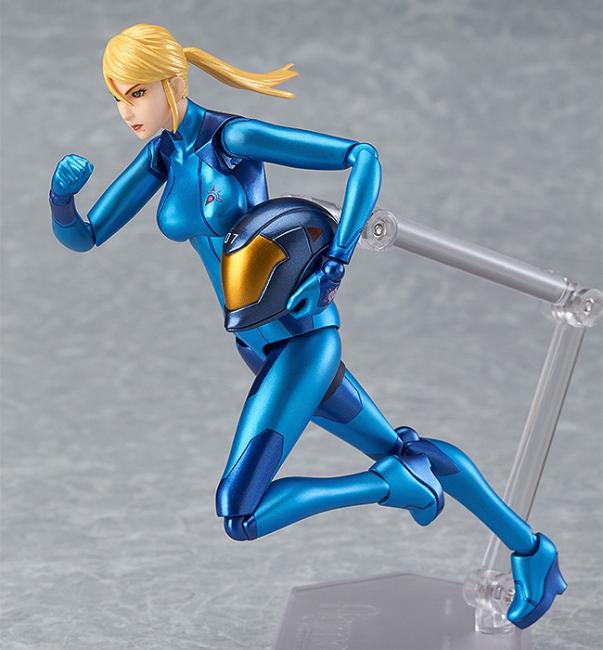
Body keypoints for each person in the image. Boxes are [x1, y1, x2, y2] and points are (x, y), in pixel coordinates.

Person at [49, 24, 565, 629]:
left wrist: (336, 260)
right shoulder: (164, 156)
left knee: (240, 511)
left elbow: (361, 157)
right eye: (117, 96)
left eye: (137, 93)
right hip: (257, 347)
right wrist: (61, 201)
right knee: (401, 449)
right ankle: (532, 550)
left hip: (301, 339)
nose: (126, 111)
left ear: (172, 81)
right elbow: (86, 236)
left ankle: (391, 487)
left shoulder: (233, 138)